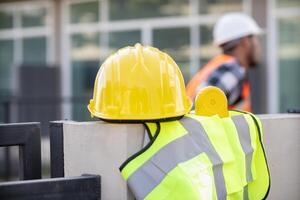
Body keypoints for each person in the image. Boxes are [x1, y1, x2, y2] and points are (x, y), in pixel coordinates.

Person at [186, 12, 263, 112]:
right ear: (245, 41)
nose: (258, 46)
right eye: (255, 39)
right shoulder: (232, 69)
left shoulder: (221, 65)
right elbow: (197, 111)